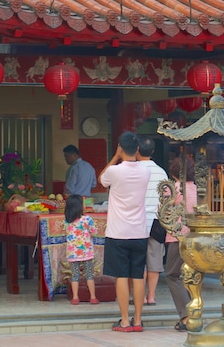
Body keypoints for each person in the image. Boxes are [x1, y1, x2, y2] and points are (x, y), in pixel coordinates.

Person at [99, 131, 151, 332]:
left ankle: (124, 321)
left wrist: (115, 157)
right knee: (138, 274)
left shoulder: (115, 171)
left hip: (118, 232)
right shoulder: (145, 171)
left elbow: (101, 178)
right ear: (137, 149)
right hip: (139, 231)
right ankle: (138, 320)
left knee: (121, 276)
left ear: (120, 148)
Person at [164, 153, 198, 331]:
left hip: (177, 236)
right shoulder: (196, 188)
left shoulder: (173, 188)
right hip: (195, 237)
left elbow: (163, 211)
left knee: (172, 274)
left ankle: (186, 317)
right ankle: (194, 313)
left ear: (175, 172)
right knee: (190, 276)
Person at [138, 137, 168, 305]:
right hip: (157, 222)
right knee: (154, 261)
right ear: (153, 152)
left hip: (138, 221)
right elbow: (166, 198)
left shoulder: (134, 171)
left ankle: (140, 296)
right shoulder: (161, 172)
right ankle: (152, 296)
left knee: (139, 261)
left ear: (137, 150)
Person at [64, 194, 99, 305]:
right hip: (86, 252)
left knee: (75, 275)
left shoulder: (67, 221)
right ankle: (93, 297)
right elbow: (95, 232)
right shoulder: (87, 219)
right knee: (89, 274)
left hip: (73, 252)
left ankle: (75, 297)